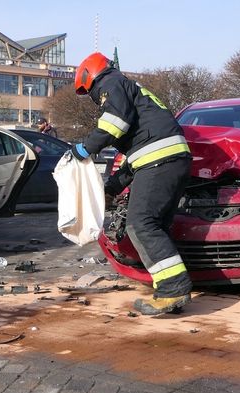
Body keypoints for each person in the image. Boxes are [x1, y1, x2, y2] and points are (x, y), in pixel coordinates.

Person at [70, 52, 193, 315]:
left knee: (141, 225)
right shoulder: (129, 89)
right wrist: (112, 187)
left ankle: (174, 289)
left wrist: (85, 149)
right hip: (168, 160)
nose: (95, 100)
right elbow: (136, 157)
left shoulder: (110, 83)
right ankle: (171, 289)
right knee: (155, 226)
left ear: (90, 77)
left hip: (160, 161)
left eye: (89, 93)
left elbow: (114, 123)